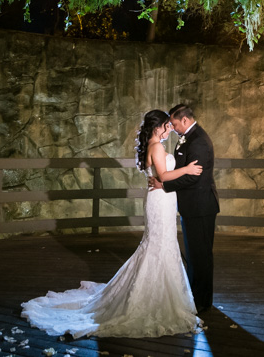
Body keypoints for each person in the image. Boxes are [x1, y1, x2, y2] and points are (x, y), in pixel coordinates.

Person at [21, 110, 203, 338]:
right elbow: (164, 176)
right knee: (159, 244)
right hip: (160, 199)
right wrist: (187, 169)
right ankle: (151, 299)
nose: (169, 129)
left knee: (162, 244)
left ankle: (157, 294)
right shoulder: (156, 146)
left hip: (163, 199)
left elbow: (160, 176)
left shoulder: (155, 145)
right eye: (166, 125)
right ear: (157, 127)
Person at [149, 104, 218, 314]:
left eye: (175, 124)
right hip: (191, 205)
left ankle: (202, 301)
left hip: (200, 205)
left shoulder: (198, 141)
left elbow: (191, 176)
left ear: (185, 120)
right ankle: (195, 296)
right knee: (195, 254)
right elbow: (181, 169)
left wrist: (164, 185)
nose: (173, 128)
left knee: (201, 255)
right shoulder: (190, 137)